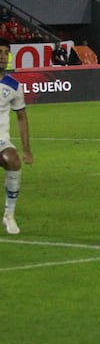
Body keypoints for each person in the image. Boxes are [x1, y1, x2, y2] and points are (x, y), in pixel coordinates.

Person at [0, 38, 33, 234]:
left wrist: (26, 150)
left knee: (13, 161)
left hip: (1, 139)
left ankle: (9, 215)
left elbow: (21, 117)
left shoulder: (13, 86)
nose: (2, 56)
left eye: (6, 52)